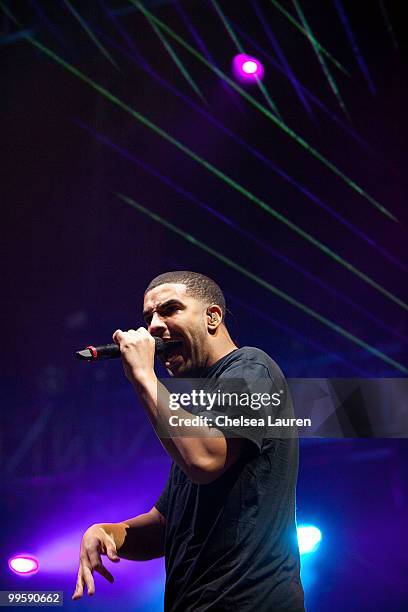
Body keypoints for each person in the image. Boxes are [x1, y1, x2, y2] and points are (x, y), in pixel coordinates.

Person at [72, 271, 305, 611]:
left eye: (169, 309)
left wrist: (143, 375)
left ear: (213, 317)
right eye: (149, 316)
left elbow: (206, 460)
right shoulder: (194, 411)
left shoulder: (251, 367)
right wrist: (111, 532)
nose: (153, 326)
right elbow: (167, 524)